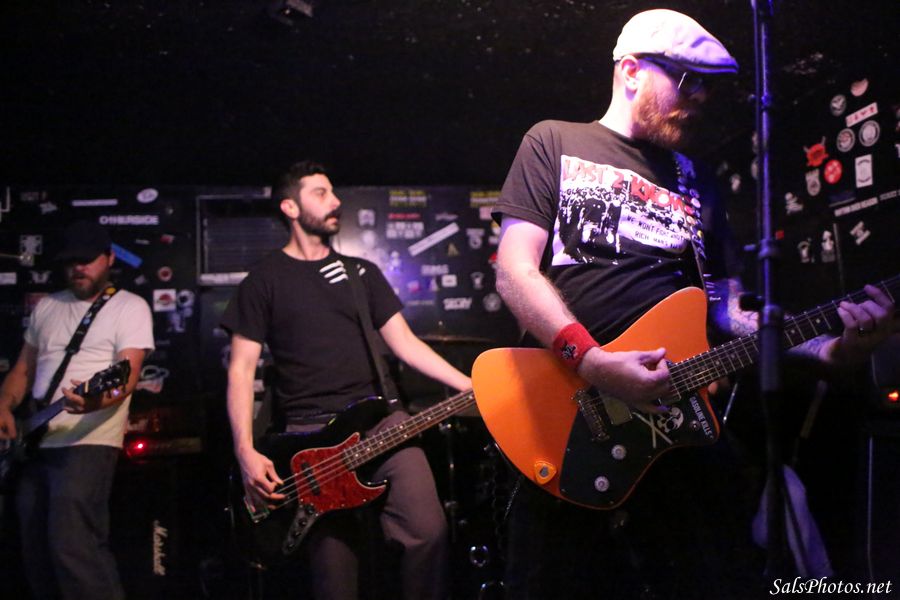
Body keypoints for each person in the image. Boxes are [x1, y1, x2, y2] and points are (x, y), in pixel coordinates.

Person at [492, 9, 895, 599]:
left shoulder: (695, 179)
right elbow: (514, 269)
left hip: (676, 421)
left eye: (707, 85)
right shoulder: (553, 141)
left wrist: (829, 349)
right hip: (567, 413)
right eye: (686, 81)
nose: (701, 97)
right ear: (631, 71)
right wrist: (593, 362)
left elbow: (724, 308)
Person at [222, 160, 472, 600]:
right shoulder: (263, 281)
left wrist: (468, 385)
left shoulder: (361, 273)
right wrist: (245, 451)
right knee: (334, 579)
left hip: (381, 424)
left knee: (428, 531)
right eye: (320, 193)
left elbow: (405, 344)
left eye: (333, 192)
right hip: (309, 439)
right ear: (290, 207)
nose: (335, 201)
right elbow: (241, 370)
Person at [0, 220, 153, 600]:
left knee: (74, 546)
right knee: (35, 550)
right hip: (36, 441)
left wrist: (93, 401)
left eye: (87, 260)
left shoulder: (130, 307)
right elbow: (22, 370)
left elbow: (126, 377)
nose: (78, 268)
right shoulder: (48, 305)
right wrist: (3, 406)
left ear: (110, 258)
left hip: (89, 440)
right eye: (71, 262)